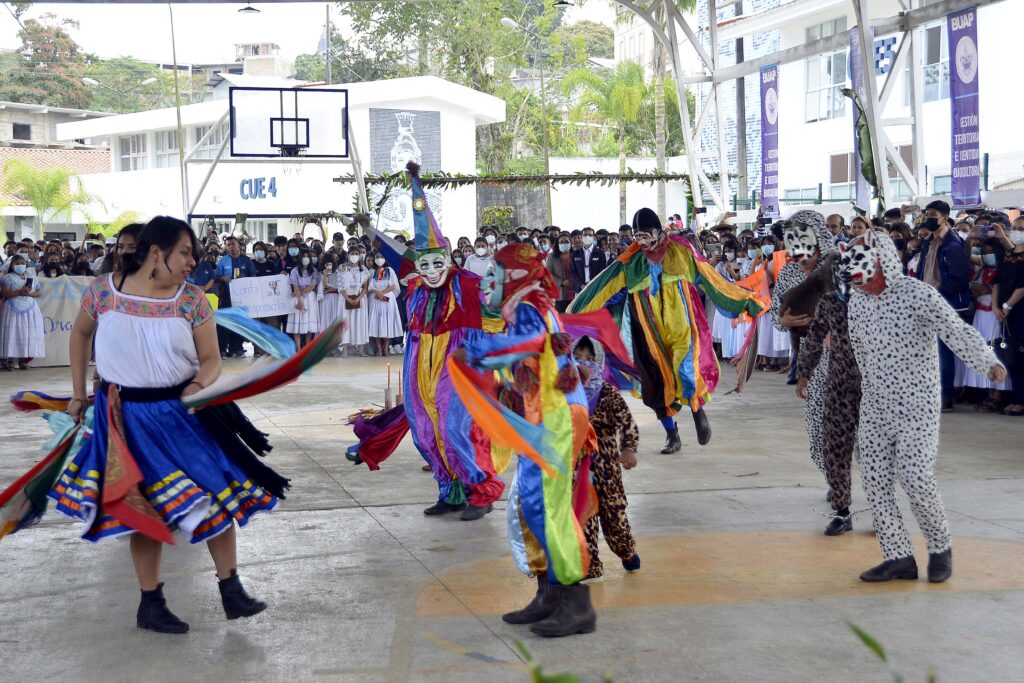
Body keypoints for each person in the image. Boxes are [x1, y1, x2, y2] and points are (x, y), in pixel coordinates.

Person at [51, 216, 275, 633]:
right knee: (144, 511)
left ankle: (232, 591)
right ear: (157, 252)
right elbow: (80, 335)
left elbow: (211, 360)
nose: (193, 262)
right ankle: (150, 603)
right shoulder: (104, 292)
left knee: (215, 493)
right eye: (185, 253)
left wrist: (198, 385)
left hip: (181, 414)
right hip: (125, 419)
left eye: (194, 254)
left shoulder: (191, 300)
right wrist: (79, 393)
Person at [841, 231, 1005, 583]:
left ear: (881, 261)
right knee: (875, 480)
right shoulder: (856, 302)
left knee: (915, 477)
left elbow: (955, 330)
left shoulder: (917, 294)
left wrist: (986, 362)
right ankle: (898, 556)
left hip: (917, 405)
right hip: (875, 405)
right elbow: (858, 349)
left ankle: (939, 546)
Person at [454, 243, 597, 637]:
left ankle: (575, 603)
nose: (486, 282)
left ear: (514, 277)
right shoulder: (523, 306)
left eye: (493, 274)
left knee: (548, 509)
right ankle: (548, 594)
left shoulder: (530, 308)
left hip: (558, 417)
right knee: (531, 506)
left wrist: (479, 352)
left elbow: (526, 346)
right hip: (544, 416)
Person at [350, 162, 504, 522]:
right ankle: (450, 491)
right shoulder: (415, 276)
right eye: (425, 265)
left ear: (449, 256)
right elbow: (392, 250)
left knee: (455, 427)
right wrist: (368, 228)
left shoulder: (466, 283)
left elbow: (497, 308)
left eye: (438, 262)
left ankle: (481, 490)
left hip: (458, 360)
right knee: (424, 429)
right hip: (420, 359)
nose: (432, 271)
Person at [570, 208, 764, 455]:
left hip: (682, 324)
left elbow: (711, 277)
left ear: (657, 231)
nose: (641, 241)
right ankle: (672, 434)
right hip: (647, 331)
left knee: (686, 369)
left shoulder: (682, 250)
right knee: (654, 381)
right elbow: (601, 287)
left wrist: (742, 299)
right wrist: (573, 313)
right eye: (637, 236)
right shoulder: (630, 260)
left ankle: (697, 410)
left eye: (645, 235)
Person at [770, 210, 838, 489]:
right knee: (817, 431)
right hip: (809, 365)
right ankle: (835, 481)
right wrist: (783, 320)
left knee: (855, 430)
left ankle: (872, 487)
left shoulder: (841, 266)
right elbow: (776, 313)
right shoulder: (788, 272)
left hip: (848, 361)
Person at [796, 249, 860, 536]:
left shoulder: (878, 302)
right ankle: (841, 510)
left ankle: (884, 509)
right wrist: (805, 372)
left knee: (877, 454)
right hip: (839, 386)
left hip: (875, 389)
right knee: (834, 447)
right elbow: (814, 337)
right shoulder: (830, 303)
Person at [573, 336, 641, 580]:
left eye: (589, 358)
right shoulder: (569, 395)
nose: (584, 362)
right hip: (579, 468)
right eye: (578, 357)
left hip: (607, 469)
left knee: (614, 518)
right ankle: (589, 564)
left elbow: (627, 422)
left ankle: (626, 550)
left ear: (599, 360)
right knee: (582, 518)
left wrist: (629, 449)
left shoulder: (607, 392)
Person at [916, 200, 973, 411]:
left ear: (944, 218)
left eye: (932, 214)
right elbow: (923, 271)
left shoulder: (953, 244)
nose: (927, 218)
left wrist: (938, 294)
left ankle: (945, 395)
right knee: (927, 352)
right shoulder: (928, 241)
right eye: (926, 214)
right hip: (926, 302)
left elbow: (960, 278)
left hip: (945, 304)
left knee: (942, 353)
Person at [994, 218, 1024, 416]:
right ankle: (1016, 398)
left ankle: (1021, 401)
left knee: (1021, 356)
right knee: (1011, 356)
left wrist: (1007, 306)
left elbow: (1022, 287)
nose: (1016, 231)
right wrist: (996, 306)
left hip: (1019, 310)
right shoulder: (1008, 255)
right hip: (1005, 313)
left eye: (1021, 229)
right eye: (1014, 228)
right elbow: (996, 282)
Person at [214, 236, 256, 358]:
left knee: (239, 322)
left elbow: (253, 277)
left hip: (242, 298)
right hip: (226, 296)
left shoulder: (246, 260)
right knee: (224, 322)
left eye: (233, 244)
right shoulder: (223, 261)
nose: (231, 247)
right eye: (228, 245)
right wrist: (222, 278)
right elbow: (215, 277)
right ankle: (222, 348)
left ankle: (236, 348)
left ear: (238, 245)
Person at [0, 254, 44, 371]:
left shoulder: (32, 277)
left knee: (27, 333)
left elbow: (39, 293)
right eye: (17, 263)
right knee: (13, 332)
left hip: (30, 308)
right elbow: (5, 293)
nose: (20, 265)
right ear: (12, 265)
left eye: (22, 263)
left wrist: (29, 294)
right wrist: (19, 292)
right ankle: (10, 361)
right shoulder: (7, 277)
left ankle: (23, 361)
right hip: (13, 308)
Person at [366, 250, 402, 356]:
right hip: (375, 298)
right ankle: (379, 349)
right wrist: (377, 293)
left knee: (388, 323)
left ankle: (386, 348)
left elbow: (393, 286)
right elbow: (369, 287)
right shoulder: (372, 271)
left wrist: (382, 293)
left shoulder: (389, 270)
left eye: (381, 257)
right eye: (377, 257)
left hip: (387, 298)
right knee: (375, 323)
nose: (379, 259)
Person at [286, 246, 322, 348]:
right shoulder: (294, 271)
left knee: (309, 327)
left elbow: (312, 286)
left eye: (307, 256)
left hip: (310, 299)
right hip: (298, 298)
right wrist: (299, 301)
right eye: (304, 256)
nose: (306, 258)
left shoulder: (314, 270)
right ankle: (299, 350)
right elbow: (295, 286)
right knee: (296, 325)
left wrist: (301, 292)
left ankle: (307, 349)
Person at [338, 245, 369, 356]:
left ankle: (361, 349)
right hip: (345, 298)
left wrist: (358, 298)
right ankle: (345, 349)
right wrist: (348, 298)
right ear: (348, 255)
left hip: (359, 298)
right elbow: (340, 286)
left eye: (356, 254)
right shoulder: (342, 267)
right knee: (346, 323)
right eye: (352, 254)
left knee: (360, 322)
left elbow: (365, 287)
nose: (354, 256)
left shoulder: (364, 269)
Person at [570, 227, 608, 292]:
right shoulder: (575, 254)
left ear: (593, 237)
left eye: (590, 235)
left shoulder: (600, 253)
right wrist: (581, 285)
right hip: (580, 289)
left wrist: (593, 285)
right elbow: (573, 272)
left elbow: (602, 271)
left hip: (595, 288)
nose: (587, 237)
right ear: (581, 237)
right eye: (585, 235)